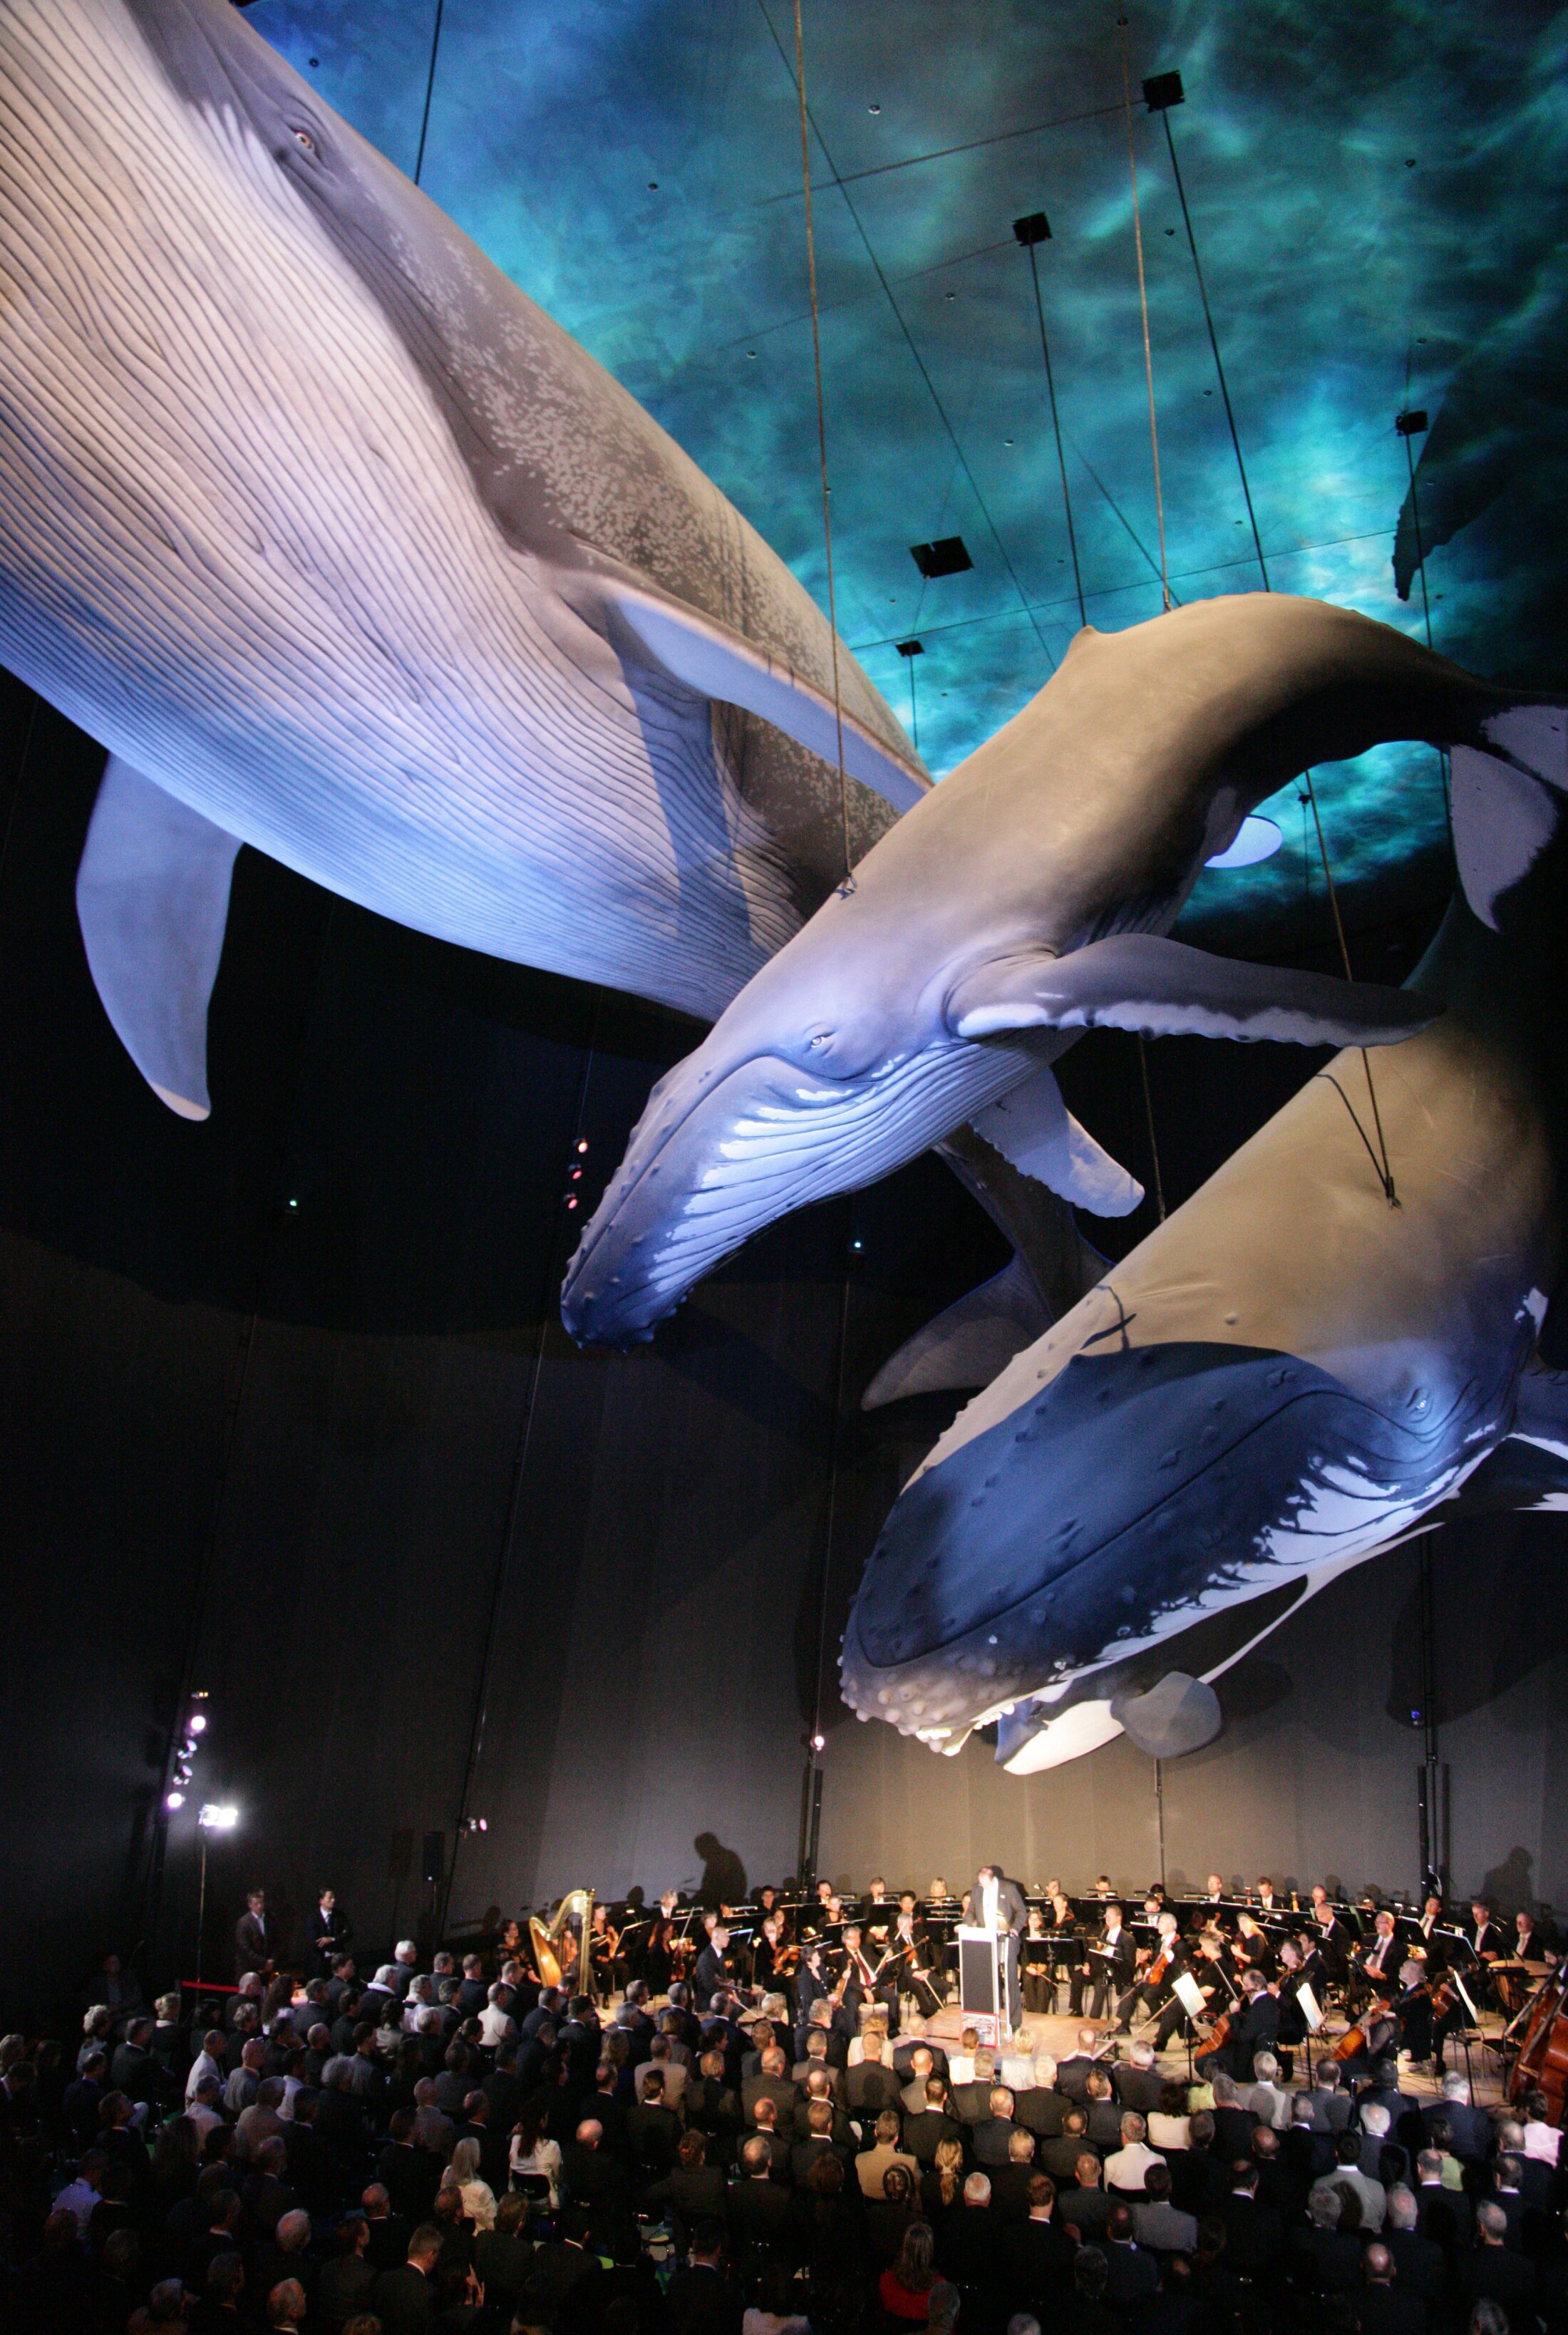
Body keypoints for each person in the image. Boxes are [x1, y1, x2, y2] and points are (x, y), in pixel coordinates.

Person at [973, 1864, 1027, 2031]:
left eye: (984, 1883)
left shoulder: (1009, 1889)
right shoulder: (977, 1889)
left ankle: (1014, 2021)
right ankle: (992, 2017)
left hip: (1007, 1940)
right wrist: (967, 1924)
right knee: (989, 1981)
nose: (982, 1886)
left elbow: (1022, 1912)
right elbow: (971, 1912)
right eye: (980, 1883)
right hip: (987, 1939)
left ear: (992, 1879)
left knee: (1010, 1981)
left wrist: (1014, 1929)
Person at [234, 1891, 274, 1982]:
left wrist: (271, 1961)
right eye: (256, 1903)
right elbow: (244, 1949)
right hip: (248, 1970)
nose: (260, 1906)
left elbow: (275, 1942)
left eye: (261, 1903)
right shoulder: (244, 1923)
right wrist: (263, 1962)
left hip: (266, 1971)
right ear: (250, 1905)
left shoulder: (270, 1919)